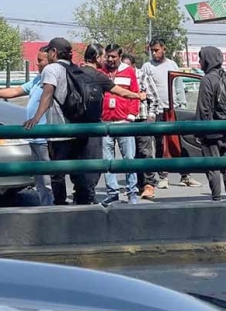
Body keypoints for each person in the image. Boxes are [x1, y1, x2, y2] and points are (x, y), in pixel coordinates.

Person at [24, 39, 144, 205]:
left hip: (59, 131)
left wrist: (36, 118)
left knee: (57, 174)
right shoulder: (76, 69)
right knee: (80, 172)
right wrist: (139, 96)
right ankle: (83, 206)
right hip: (79, 129)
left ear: (54, 52)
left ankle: (59, 207)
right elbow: (119, 91)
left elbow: (48, 94)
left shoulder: (53, 69)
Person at [0, 47, 54, 206]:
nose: (37, 63)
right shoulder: (38, 80)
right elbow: (16, 91)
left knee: (48, 178)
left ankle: (52, 208)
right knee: (39, 178)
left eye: (40, 61)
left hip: (45, 136)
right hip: (34, 137)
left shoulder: (51, 81)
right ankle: (45, 207)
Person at [142, 38, 201, 189]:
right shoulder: (147, 67)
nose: (154, 53)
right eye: (152, 50)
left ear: (164, 49)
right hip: (157, 111)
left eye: (157, 50)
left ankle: (185, 175)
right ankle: (163, 176)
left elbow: (179, 86)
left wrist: (181, 105)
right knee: (161, 144)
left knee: (178, 143)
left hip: (173, 110)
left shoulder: (172, 65)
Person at [99, 45, 141, 207]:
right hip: (105, 123)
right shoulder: (101, 72)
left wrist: (131, 116)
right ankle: (112, 192)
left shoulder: (129, 71)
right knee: (107, 161)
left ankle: (132, 192)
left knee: (129, 158)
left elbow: (135, 94)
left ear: (120, 56)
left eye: (113, 57)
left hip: (124, 122)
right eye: (108, 56)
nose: (110, 60)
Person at [196, 46, 226, 202]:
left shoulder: (207, 80)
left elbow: (203, 108)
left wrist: (200, 131)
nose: (200, 62)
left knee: (213, 165)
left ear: (207, 60)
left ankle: (216, 198)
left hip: (211, 131)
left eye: (201, 59)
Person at [122, 53, 161, 200]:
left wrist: (151, 117)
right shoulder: (120, 77)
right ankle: (136, 185)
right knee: (131, 154)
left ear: (133, 65)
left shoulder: (142, 76)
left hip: (142, 119)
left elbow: (154, 98)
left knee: (145, 152)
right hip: (127, 121)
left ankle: (149, 184)